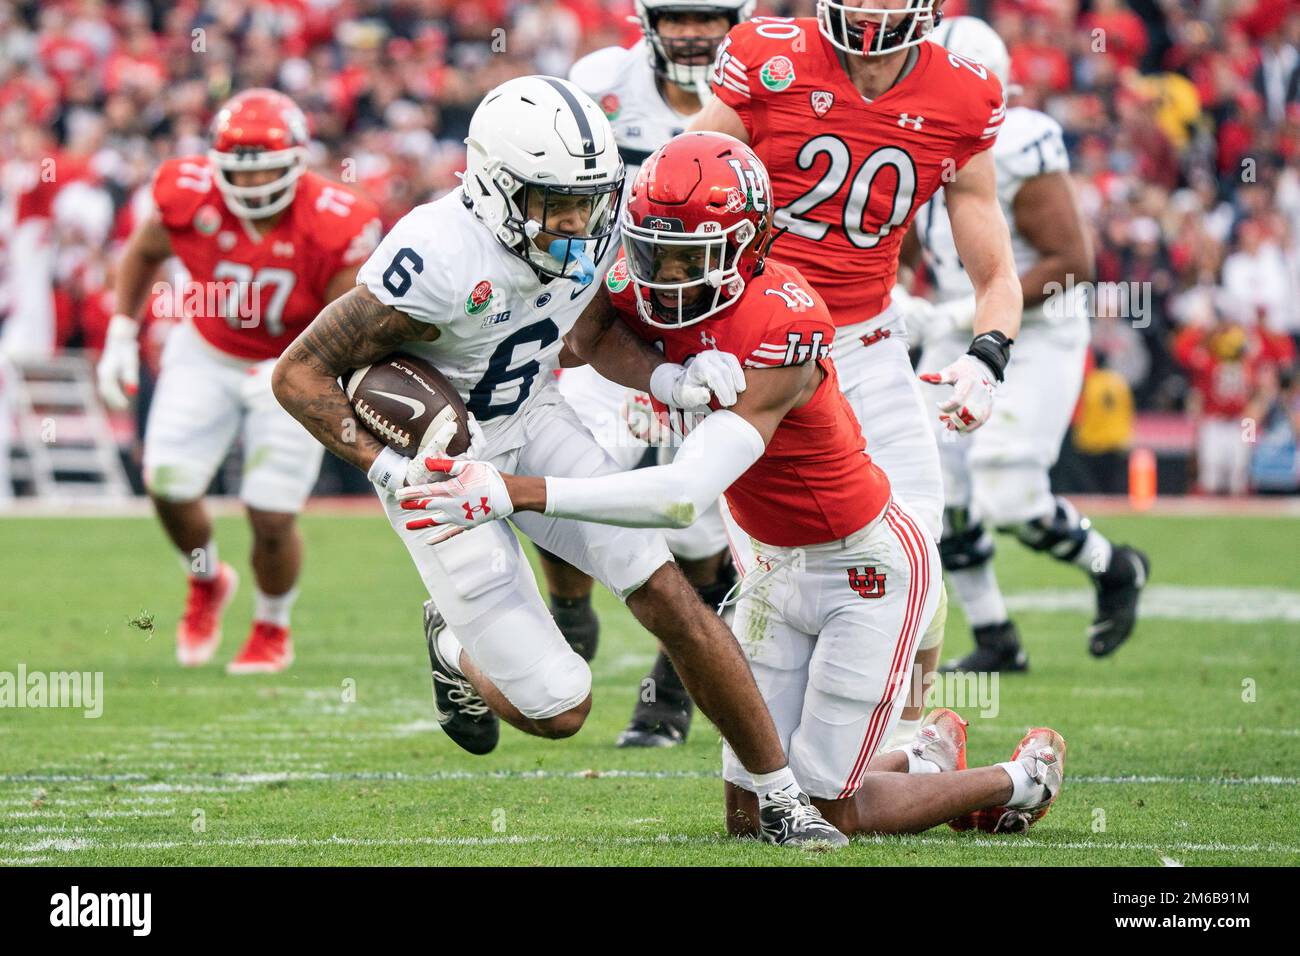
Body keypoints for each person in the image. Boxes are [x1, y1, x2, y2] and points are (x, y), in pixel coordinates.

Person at [398, 132, 1067, 837]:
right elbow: (585, 338)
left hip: (863, 567)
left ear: (748, 248)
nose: (665, 272)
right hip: (774, 568)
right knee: (750, 819)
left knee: (836, 809)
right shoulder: (640, 276)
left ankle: (1021, 779)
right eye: (654, 248)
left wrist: (518, 491)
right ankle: (928, 763)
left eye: (690, 255)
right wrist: (662, 375)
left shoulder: (784, 321)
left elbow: (682, 496)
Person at [272, 77, 846, 848]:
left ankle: (780, 797)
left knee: (664, 586)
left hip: (534, 418)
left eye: (588, 198)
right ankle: (453, 641)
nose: (578, 221)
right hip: (437, 463)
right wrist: (388, 469)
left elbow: (590, 336)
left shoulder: (600, 228)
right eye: (554, 201)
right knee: (560, 709)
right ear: (494, 187)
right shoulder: (435, 253)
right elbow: (299, 374)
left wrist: (666, 378)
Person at [689, 0, 1023, 743]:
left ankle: (896, 749)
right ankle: (786, 762)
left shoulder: (962, 95)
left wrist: (987, 355)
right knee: (781, 570)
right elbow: (681, 195)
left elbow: (994, 266)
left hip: (868, 343)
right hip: (761, 341)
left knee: (917, 559)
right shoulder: (768, 56)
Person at [96, 88, 382, 673]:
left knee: (271, 512)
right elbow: (143, 253)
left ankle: (272, 625)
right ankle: (206, 581)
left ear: (297, 162)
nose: (252, 188)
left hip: (298, 363)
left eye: (267, 173)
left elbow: (347, 321)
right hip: (208, 348)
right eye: (239, 175)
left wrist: (299, 373)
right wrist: (121, 333)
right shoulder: (188, 194)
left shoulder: (335, 220)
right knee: (168, 483)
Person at [547, 0, 758, 749]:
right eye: (677, 18)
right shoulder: (602, 86)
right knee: (556, 471)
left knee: (696, 530)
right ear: (649, 23)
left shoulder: (765, 84)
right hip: (612, 323)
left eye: (708, 17)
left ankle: (668, 690)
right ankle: (571, 610)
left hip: (710, 330)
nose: (693, 33)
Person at [908, 17, 1150, 668]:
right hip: (956, 324)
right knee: (933, 487)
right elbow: (898, 243)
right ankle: (994, 637)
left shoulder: (1018, 142)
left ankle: (1114, 566)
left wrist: (958, 313)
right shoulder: (906, 134)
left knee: (1008, 493)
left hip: (1036, 329)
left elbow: (1074, 261)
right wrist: (897, 297)